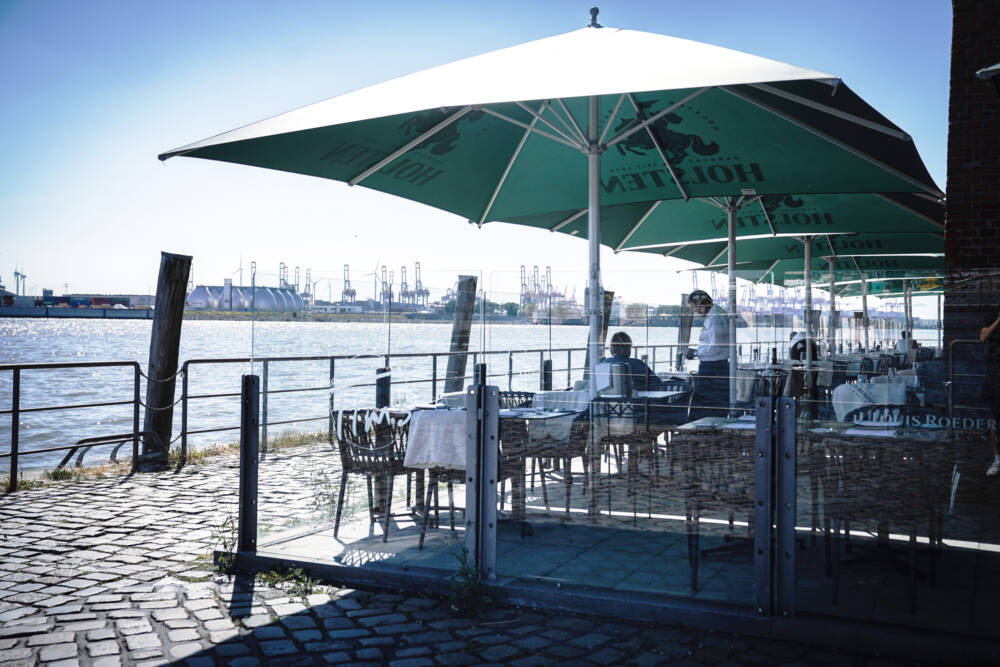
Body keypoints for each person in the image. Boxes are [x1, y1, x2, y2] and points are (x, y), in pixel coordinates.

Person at [684, 290, 730, 418]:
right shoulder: (715, 314)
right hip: (716, 367)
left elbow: (716, 346)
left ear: (702, 304)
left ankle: (702, 432)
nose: (696, 312)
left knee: (703, 407)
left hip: (713, 369)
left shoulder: (715, 318)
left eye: (695, 308)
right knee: (713, 406)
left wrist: (695, 352)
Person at [597, 331, 664, 392]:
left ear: (612, 348)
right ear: (628, 347)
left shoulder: (605, 364)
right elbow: (658, 383)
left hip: (609, 402)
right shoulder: (637, 364)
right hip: (635, 402)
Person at [980, 312, 1000, 476]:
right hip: (995, 375)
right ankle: (997, 460)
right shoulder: (991, 316)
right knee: (995, 419)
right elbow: (983, 337)